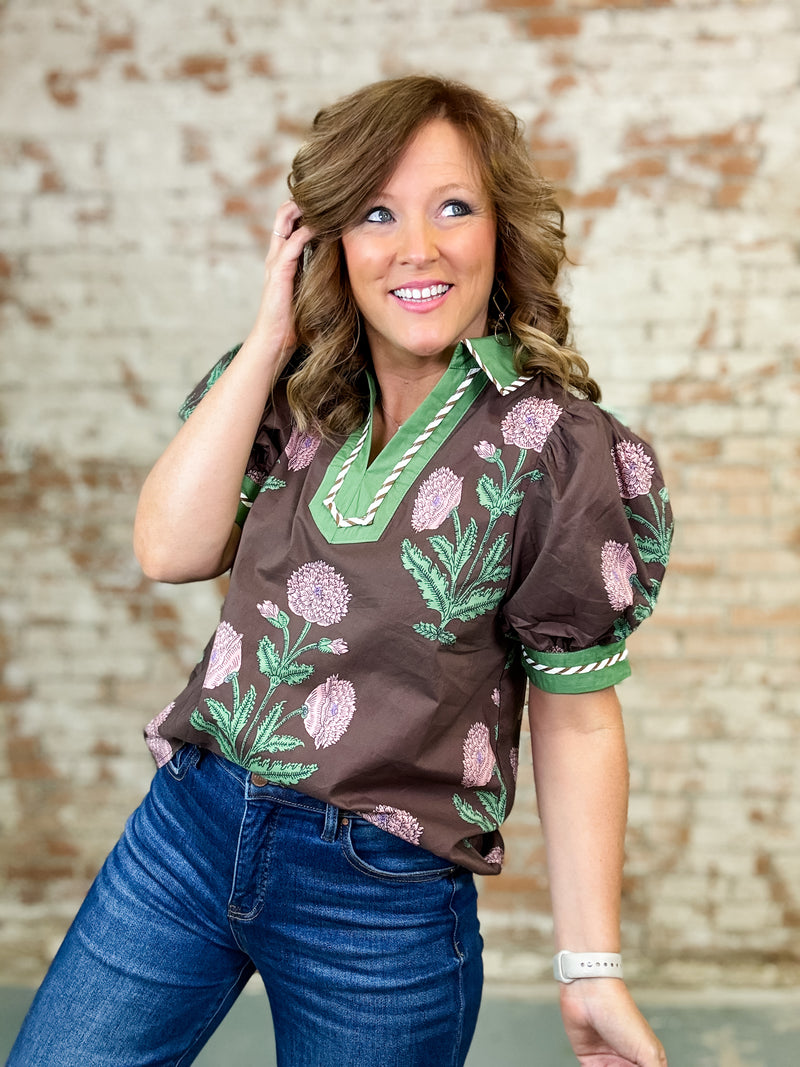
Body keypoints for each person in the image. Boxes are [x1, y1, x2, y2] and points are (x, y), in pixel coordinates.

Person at [9, 75, 672, 1067]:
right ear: (329, 241)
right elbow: (168, 549)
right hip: (189, 829)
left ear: (501, 231)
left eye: (454, 207)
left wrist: (590, 968)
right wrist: (273, 333)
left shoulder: (558, 450)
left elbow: (575, 714)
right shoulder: (295, 389)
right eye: (376, 213)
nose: (418, 247)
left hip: (377, 894)